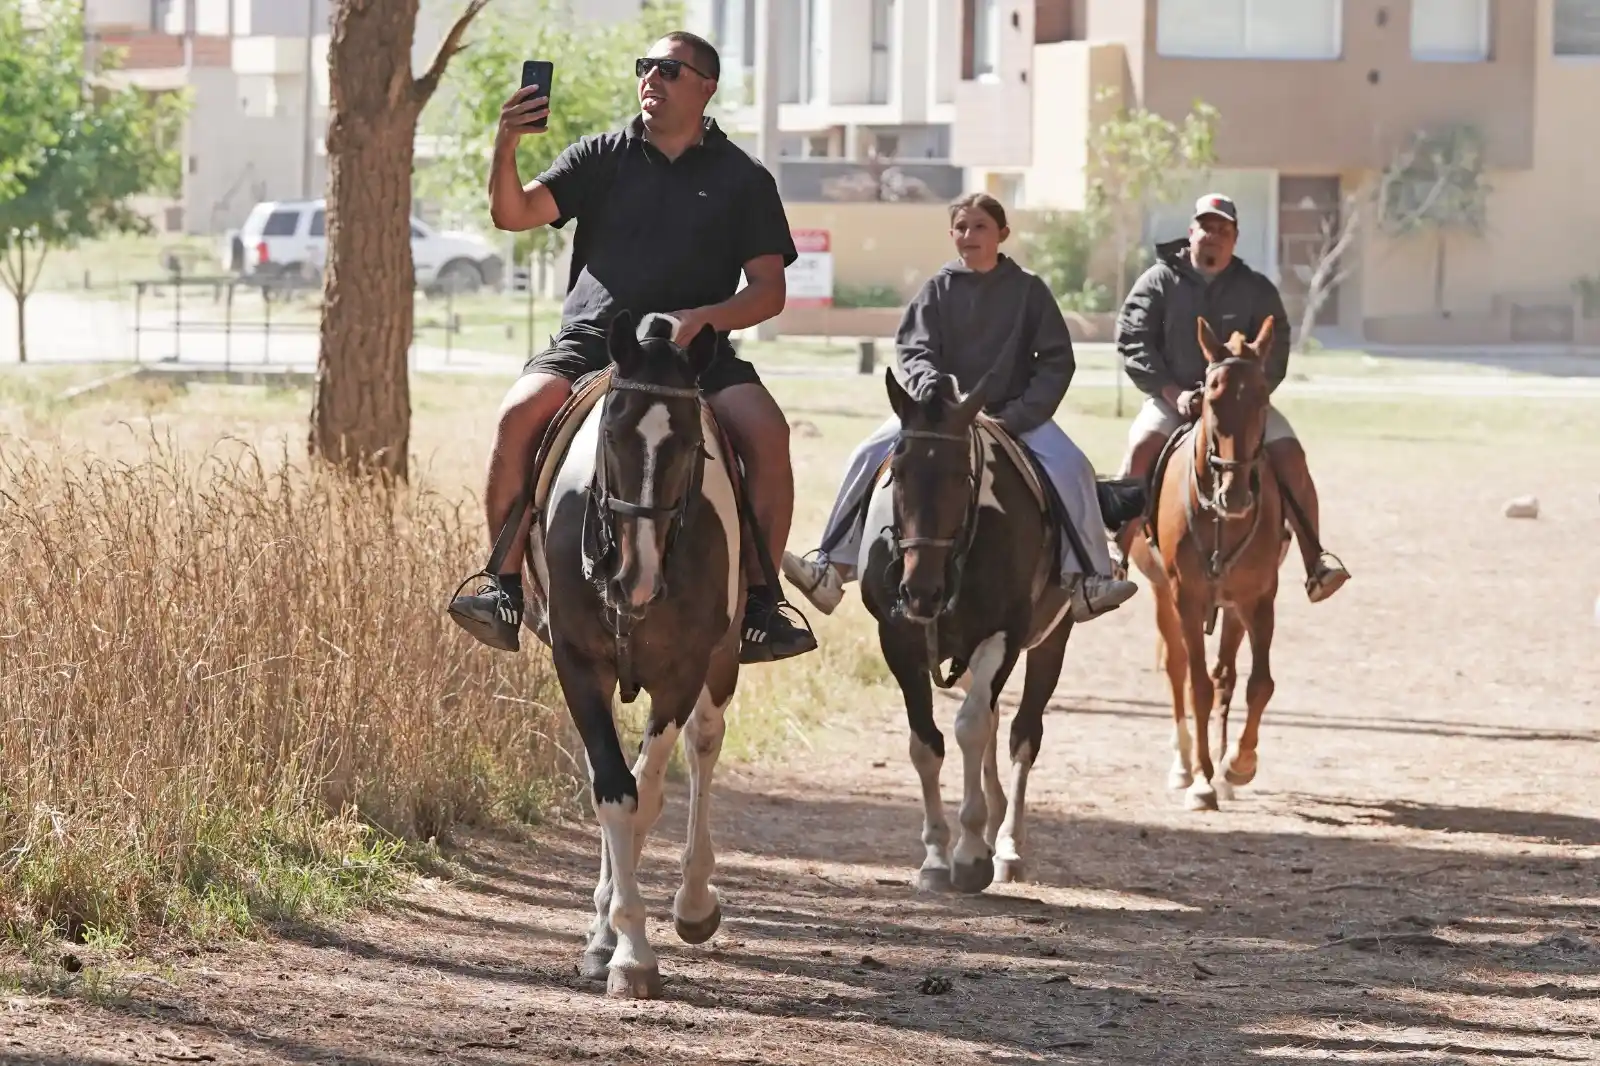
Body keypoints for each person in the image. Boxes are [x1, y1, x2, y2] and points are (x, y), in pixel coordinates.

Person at [447, 30, 817, 665]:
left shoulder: (744, 178)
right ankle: (502, 585)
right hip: (596, 343)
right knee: (518, 412)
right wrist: (505, 142)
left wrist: (704, 318)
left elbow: (768, 292)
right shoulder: (600, 156)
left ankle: (761, 603)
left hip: (696, 353)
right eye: (647, 67)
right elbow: (513, 213)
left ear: (706, 87)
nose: (654, 79)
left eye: (671, 70)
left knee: (769, 434)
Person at [781, 193, 1140, 622]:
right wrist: (932, 391)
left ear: (1002, 234)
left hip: (1013, 416)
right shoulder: (936, 289)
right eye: (961, 227)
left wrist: (1022, 413)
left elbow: (1057, 361)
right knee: (865, 455)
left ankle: (1089, 581)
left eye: (980, 227)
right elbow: (914, 349)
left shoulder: (1029, 291)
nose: (969, 235)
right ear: (951, 234)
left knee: (1073, 466)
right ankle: (832, 567)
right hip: (940, 418)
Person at [1110, 192, 1351, 603]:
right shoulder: (1157, 281)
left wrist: (1250, 400)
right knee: (1141, 448)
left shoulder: (1255, 289)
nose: (1214, 236)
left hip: (1240, 409)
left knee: (1291, 455)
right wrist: (1173, 393)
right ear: (1191, 232)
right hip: (1174, 400)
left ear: (1234, 239)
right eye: (1206, 227)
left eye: (1223, 230)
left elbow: (1277, 349)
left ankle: (1315, 561)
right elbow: (1133, 342)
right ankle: (1115, 551)